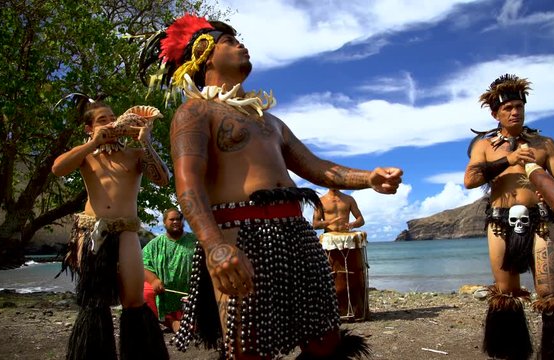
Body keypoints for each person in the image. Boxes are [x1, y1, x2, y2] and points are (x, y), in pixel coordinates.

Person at [140, 14, 402, 359]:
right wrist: (215, 246)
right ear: (204, 52)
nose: (240, 45)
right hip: (241, 237)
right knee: (249, 348)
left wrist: (368, 178)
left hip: (297, 233)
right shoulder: (195, 111)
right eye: (229, 42)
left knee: (325, 340)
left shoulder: (271, 122)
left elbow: (317, 167)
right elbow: (188, 185)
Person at [464, 74, 554, 360]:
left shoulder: (545, 144)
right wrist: (507, 160)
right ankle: (510, 353)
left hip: (540, 221)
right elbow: (470, 179)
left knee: (550, 293)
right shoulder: (484, 146)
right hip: (499, 222)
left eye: (519, 106)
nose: (515, 111)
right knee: (506, 294)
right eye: (508, 108)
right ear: (495, 113)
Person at [52, 98, 171, 360]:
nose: (110, 122)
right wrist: (92, 143)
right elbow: (58, 169)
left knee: (133, 301)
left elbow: (163, 179)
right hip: (92, 231)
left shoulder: (135, 154)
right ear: (89, 128)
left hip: (126, 229)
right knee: (95, 302)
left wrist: (146, 141)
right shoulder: (86, 155)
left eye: (112, 117)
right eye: (102, 120)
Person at [142, 208, 196, 333]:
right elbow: (143, 264)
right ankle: (170, 321)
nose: (176, 222)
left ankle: (183, 322)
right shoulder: (155, 244)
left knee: (193, 328)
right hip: (164, 292)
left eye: (178, 219)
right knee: (145, 292)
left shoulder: (195, 240)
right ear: (165, 222)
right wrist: (154, 280)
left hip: (191, 293)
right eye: (172, 219)